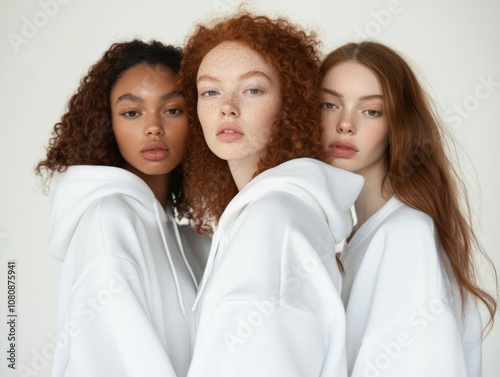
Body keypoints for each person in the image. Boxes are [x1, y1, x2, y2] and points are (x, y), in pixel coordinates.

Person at [177, 13, 364, 377]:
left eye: (252, 90)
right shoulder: (276, 210)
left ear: (290, 104)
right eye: (210, 91)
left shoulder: (272, 218)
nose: (227, 107)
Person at [320, 41, 497, 377]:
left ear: (397, 125)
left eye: (371, 111)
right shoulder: (366, 235)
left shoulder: (404, 233)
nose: (345, 124)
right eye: (329, 105)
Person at [35, 40, 211, 377]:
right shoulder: (109, 220)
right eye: (132, 112)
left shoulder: (190, 238)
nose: (153, 127)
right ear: (107, 126)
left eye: (173, 109)